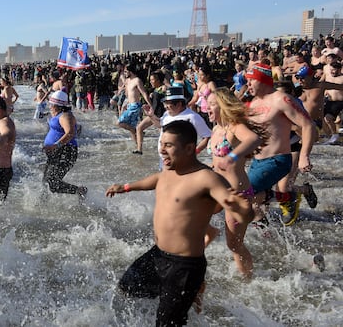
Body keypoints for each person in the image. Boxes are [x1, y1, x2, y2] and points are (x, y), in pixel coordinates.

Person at [105, 120, 252, 327]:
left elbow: (240, 213)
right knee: (127, 288)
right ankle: (189, 297)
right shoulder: (169, 170)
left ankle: (192, 292)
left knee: (167, 324)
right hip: (157, 255)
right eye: (161, 144)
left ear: (190, 148)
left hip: (184, 267)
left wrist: (243, 209)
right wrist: (127, 187)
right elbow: (155, 180)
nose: (162, 150)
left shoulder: (207, 179)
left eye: (169, 146)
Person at [244, 63, 316, 225]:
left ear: (262, 80)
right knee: (256, 200)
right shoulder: (253, 103)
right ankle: (266, 233)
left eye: (251, 80)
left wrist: (304, 156)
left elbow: (308, 125)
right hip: (257, 161)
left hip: (277, 160)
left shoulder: (281, 99)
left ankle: (264, 227)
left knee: (246, 195)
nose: (248, 84)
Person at [205, 87, 266, 279]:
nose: (207, 107)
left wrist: (232, 156)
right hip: (216, 191)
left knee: (234, 245)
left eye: (212, 104)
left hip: (237, 195)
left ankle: (249, 280)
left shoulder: (234, 127)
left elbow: (253, 139)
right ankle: (205, 241)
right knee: (191, 218)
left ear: (223, 106)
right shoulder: (216, 129)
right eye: (207, 104)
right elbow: (216, 161)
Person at [42, 90, 87, 198]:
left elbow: (70, 133)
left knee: (52, 182)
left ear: (56, 105)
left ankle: (80, 191)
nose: (49, 106)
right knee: (46, 181)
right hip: (58, 151)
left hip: (66, 151)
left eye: (51, 104)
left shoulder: (65, 116)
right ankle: (43, 204)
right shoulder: (59, 115)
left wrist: (55, 145)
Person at [117, 64, 150, 146]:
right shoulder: (128, 81)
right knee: (131, 126)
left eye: (125, 72)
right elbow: (129, 94)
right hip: (129, 105)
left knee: (119, 122)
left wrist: (150, 104)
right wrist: (126, 103)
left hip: (135, 106)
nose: (124, 74)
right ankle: (138, 147)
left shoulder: (137, 80)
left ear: (130, 71)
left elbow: (144, 93)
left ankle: (136, 131)